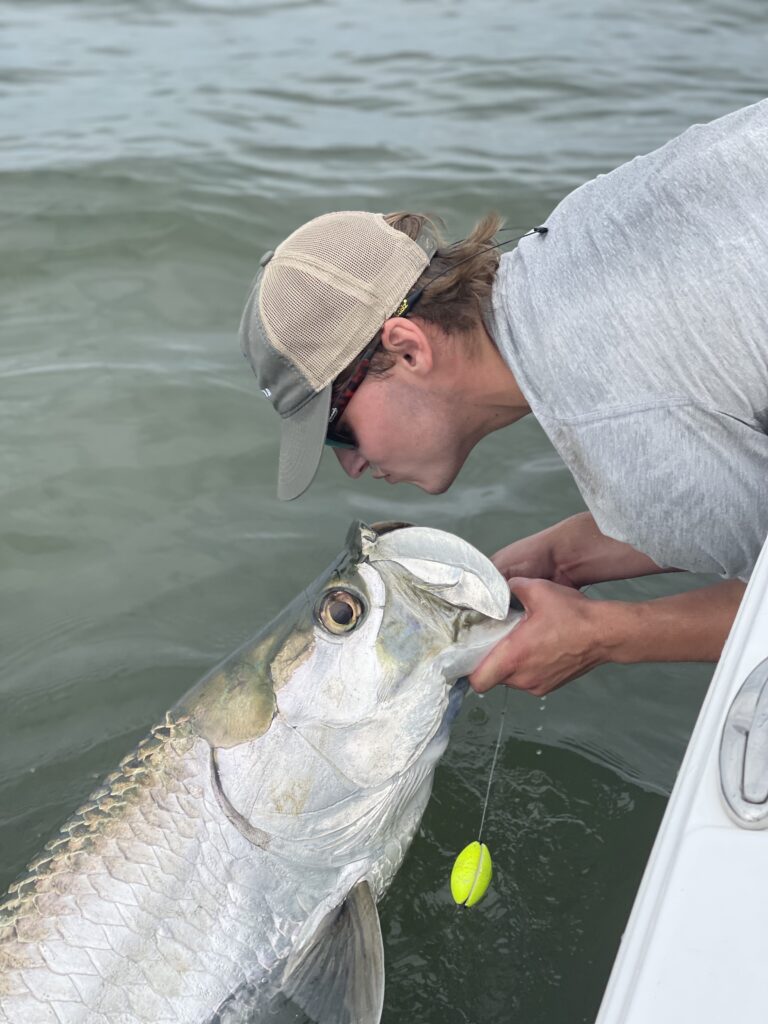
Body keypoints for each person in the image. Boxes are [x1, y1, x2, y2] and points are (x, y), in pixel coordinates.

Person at [238, 99, 768, 697]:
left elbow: (654, 442)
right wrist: (563, 557)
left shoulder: (617, 426)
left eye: (339, 430)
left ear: (408, 348)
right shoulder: (581, 230)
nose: (351, 464)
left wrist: (609, 633)